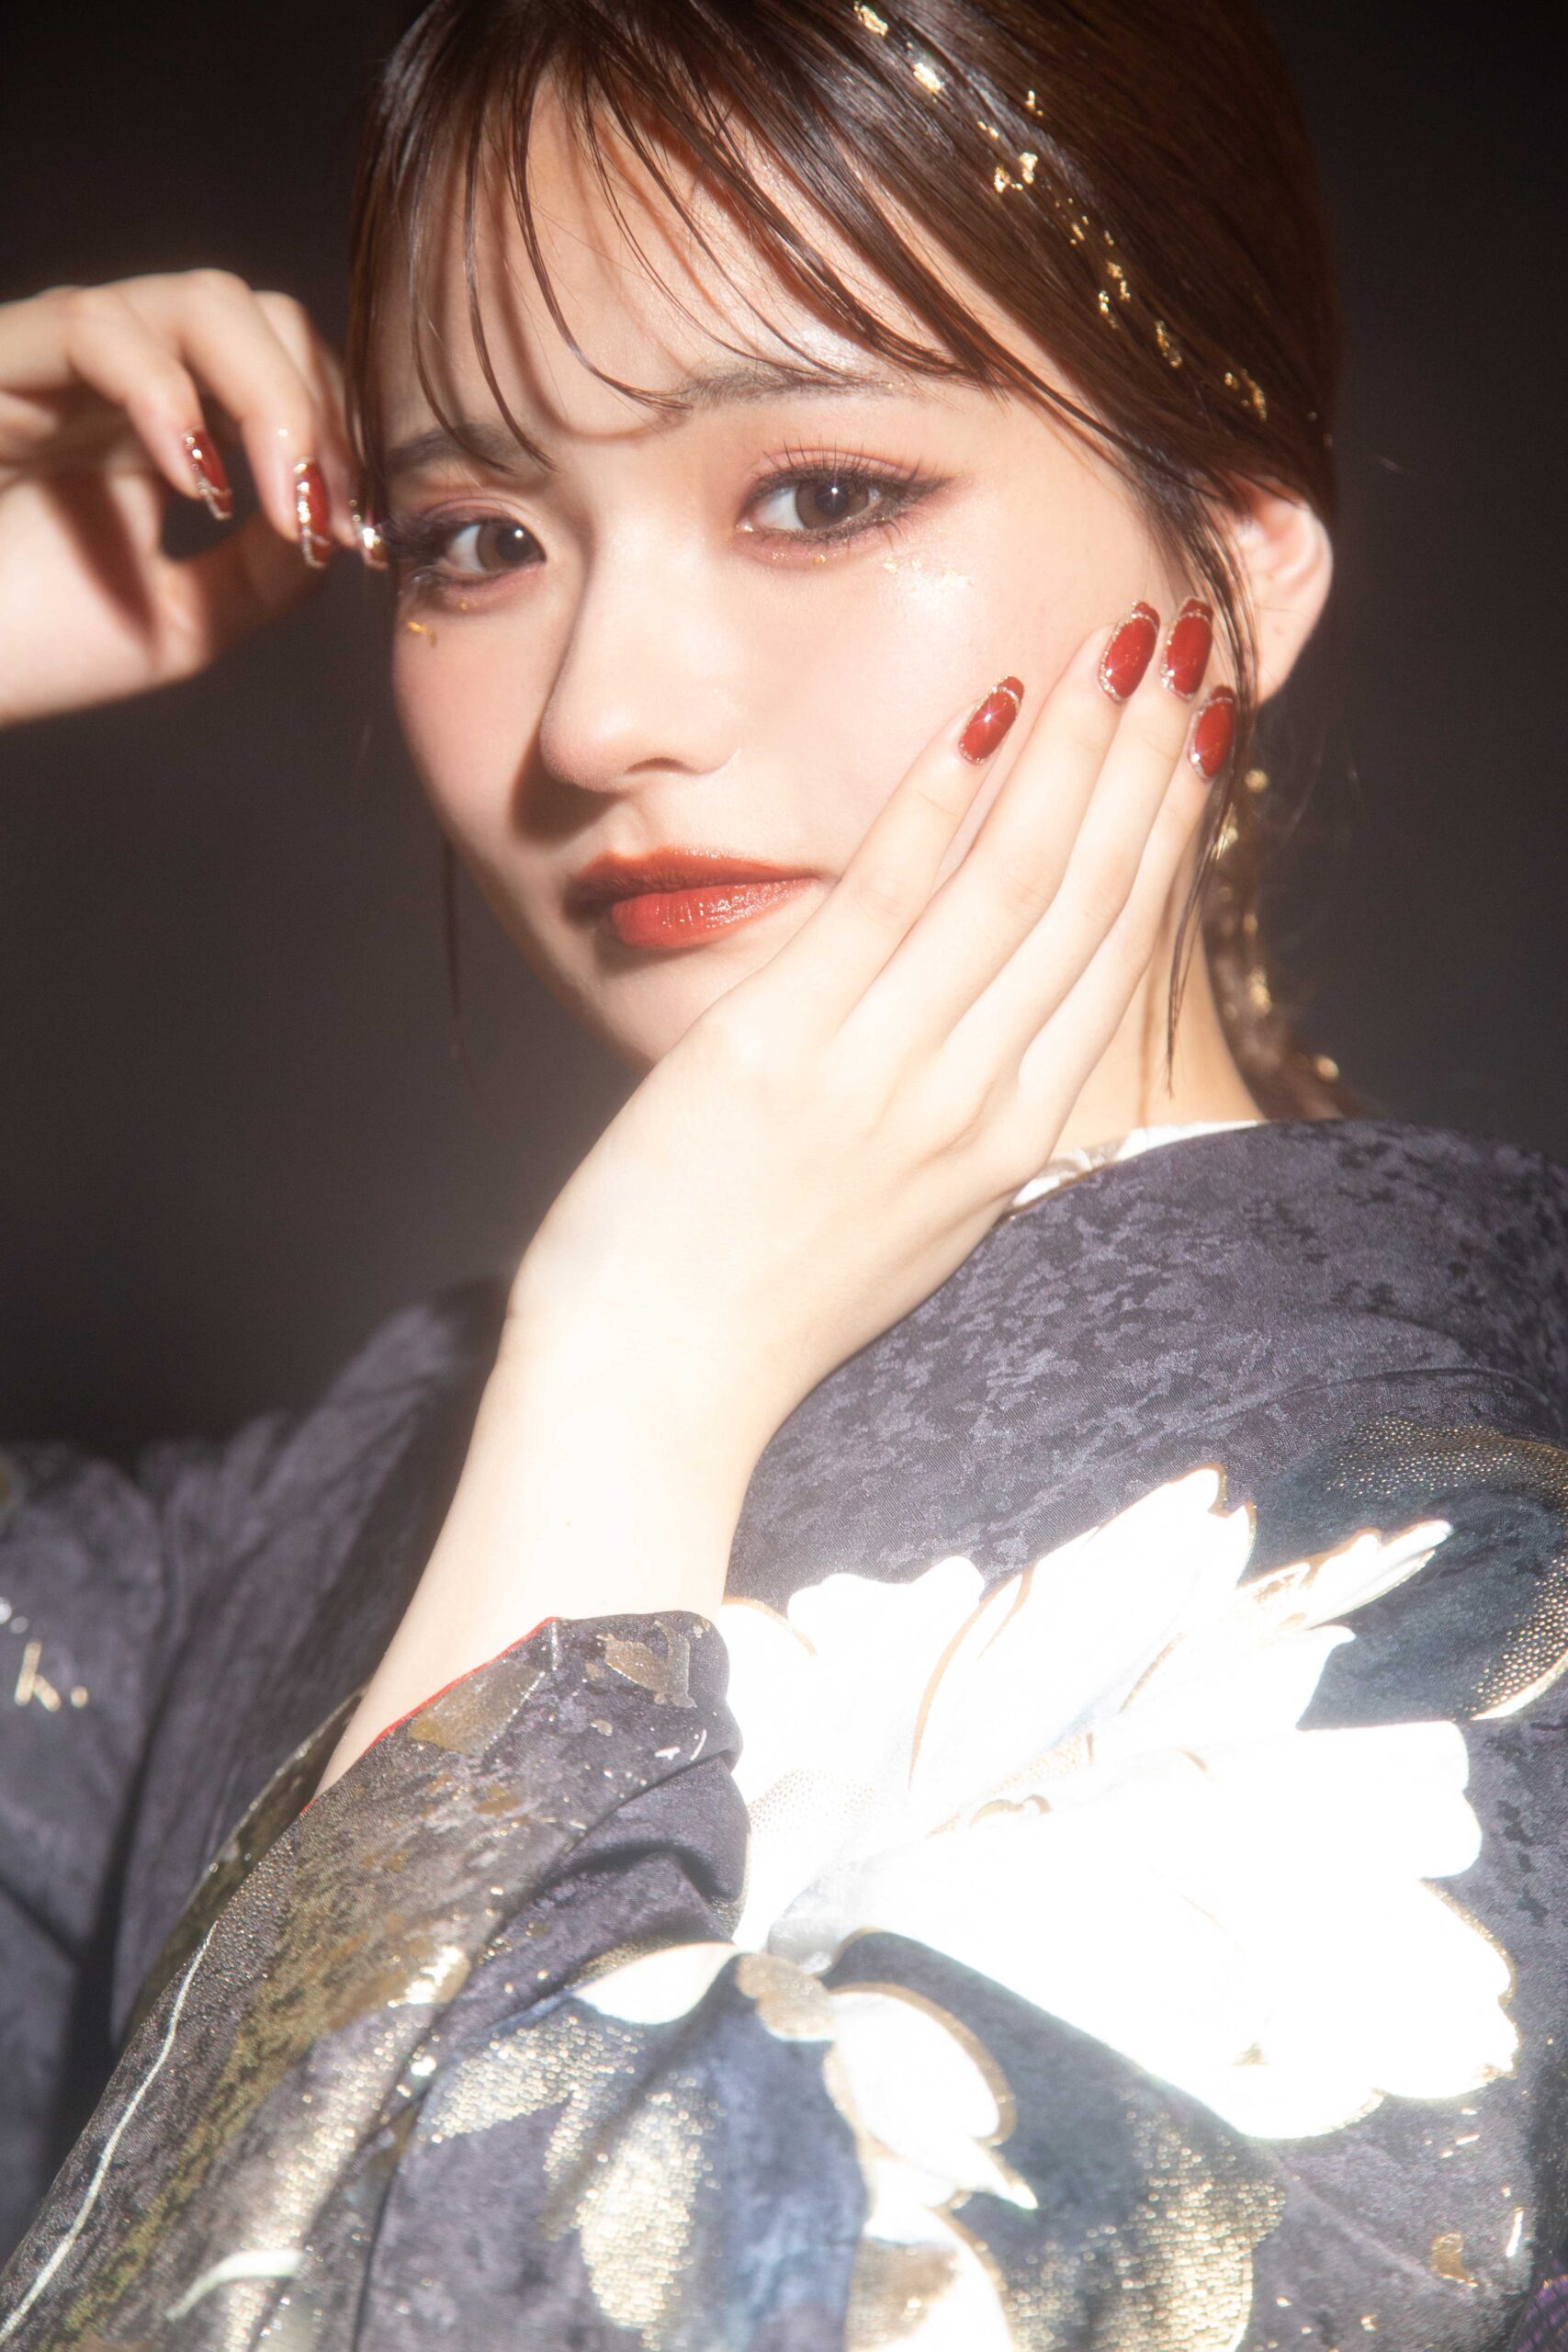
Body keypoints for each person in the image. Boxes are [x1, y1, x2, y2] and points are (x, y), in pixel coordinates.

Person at [1, 0, 1565, 2344]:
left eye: (818, 494)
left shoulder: (1478, 1612)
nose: (605, 709)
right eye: (476, 538)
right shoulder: (316, 1514)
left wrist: (639, 1366)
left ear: (1234, 570)